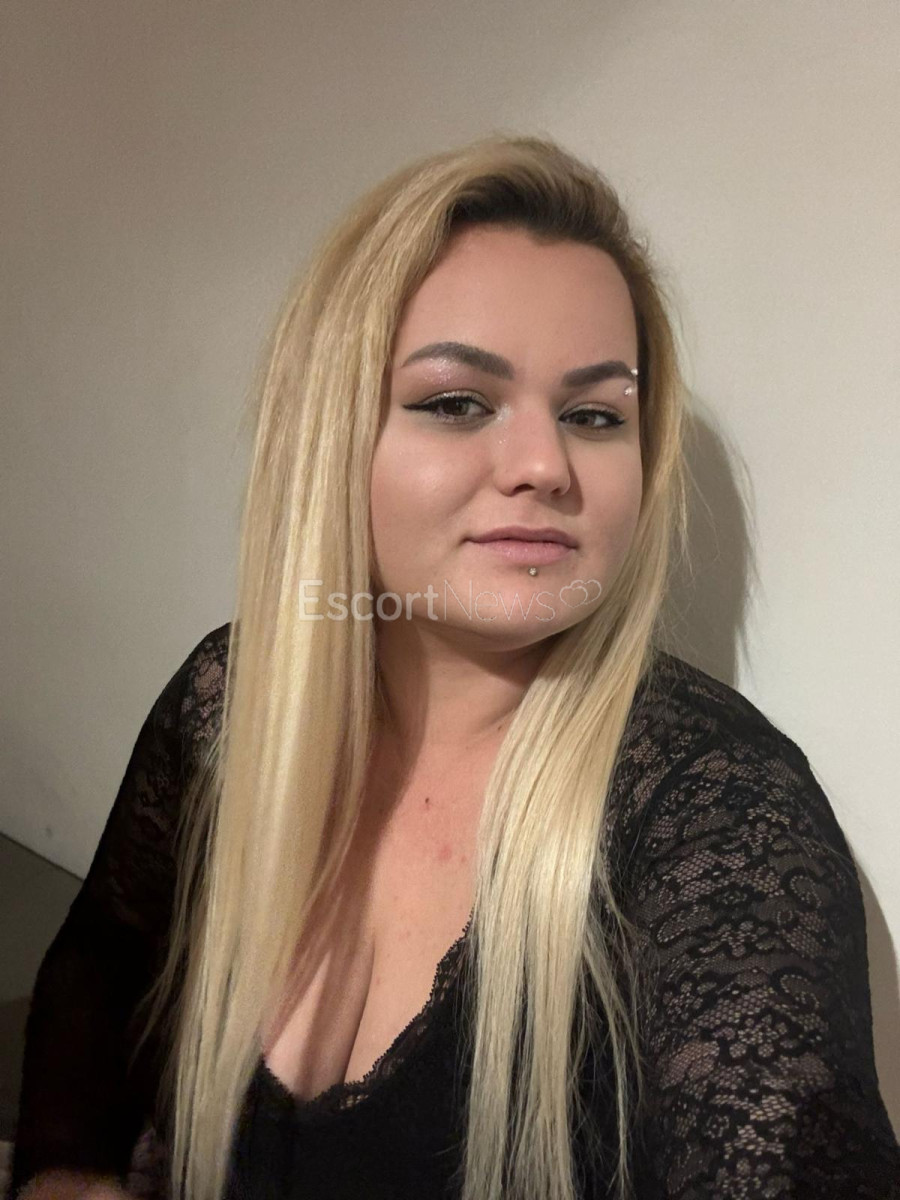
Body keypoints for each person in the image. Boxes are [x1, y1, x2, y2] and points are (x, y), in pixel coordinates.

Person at [8, 134, 900, 1200]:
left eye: (594, 416)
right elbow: (105, 956)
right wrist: (67, 1174)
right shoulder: (232, 699)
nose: (545, 465)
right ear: (332, 434)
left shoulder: (717, 811)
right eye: (455, 402)